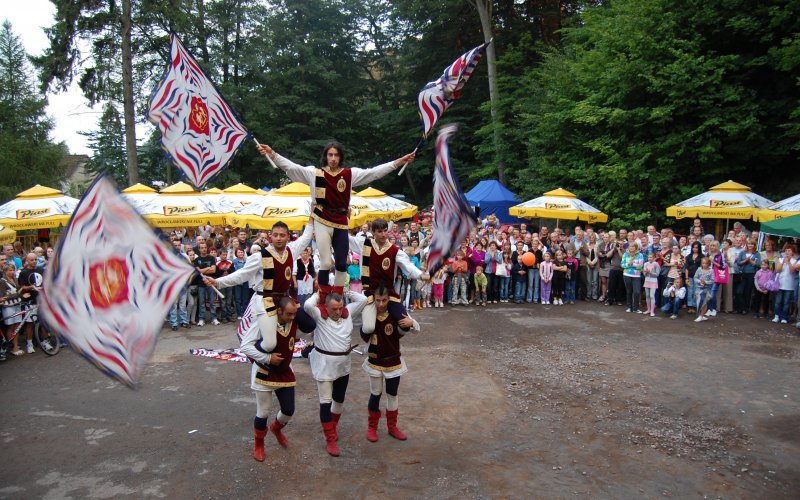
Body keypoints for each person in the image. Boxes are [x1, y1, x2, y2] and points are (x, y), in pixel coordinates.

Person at [257, 142, 416, 305]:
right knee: (326, 262)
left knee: (341, 264)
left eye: (336, 155)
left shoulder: (349, 174)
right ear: (325, 156)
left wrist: (399, 162)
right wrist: (273, 154)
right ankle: (324, 298)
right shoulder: (315, 173)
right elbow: (292, 168)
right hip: (322, 220)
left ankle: (338, 298)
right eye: (330, 155)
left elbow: (374, 173)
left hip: (341, 222)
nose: (333, 159)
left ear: (340, 157)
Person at [205, 221, 314, 346]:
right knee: (269, 344)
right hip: (265, 300)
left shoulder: (291, 250)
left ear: (288, 237)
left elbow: (306, 238)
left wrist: (312, 218)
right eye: (275, 235)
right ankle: (261, 359)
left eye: (282, 235)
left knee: (309, 325)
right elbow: (242, 275)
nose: (278, 238)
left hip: (284, 300)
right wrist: (218, 282)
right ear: (270, 237)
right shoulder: (259, 256)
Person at [240, 296, 316, 462]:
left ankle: (276, 428)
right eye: (288, 314)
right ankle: (259, 443)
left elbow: (310, 325)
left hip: (284, 371)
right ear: (279, 311)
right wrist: (267, 358)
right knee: (263, 412)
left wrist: (295, 304)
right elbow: (245, 346)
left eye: (294, 314)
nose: (292, 317)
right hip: (264, 371)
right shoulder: (264, 322)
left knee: (288, 410)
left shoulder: (293, 320)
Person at [303, 289, 368, 457]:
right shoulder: (318, 315)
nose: (338, 312)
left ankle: (333, 427)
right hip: (324, 365)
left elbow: (362, 299)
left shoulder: (348, 313)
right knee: (325, 402)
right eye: (334, 309)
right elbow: (307, 304)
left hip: (343, 365)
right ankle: (330, 438)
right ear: (326, 307)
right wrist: (319, 293)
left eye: (340, 308)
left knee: (339, 401)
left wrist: (344, 291)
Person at [360, 285, 421, 442]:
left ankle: (392, 427)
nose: (380, 304)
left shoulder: (395, 314)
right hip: (374, 362)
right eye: (378, 300)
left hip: (393, 361)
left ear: (389, 300)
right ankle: (372, 427)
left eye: (384, 300)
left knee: (392, 394)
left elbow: (416, 330)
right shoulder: (369, 315)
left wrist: (412, 322)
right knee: (375, 393)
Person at [348, 218, 427, 336]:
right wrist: (345, 218)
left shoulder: (395, 251)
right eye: (379, 231)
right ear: (373, 232)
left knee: (405, 326)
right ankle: (369, 339)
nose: (383, 234)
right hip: (370, 293)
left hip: (389, 294)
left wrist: (421, 275)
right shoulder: (364, 244)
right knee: (368, 329)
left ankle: (390, 339)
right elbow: (344, 238)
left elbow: (408, 267)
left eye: (385, 231)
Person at [0, 263, 29, 357]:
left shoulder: (15, 279)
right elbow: (3, 296)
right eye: (10, 270)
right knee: (11, 327)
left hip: (17, 304)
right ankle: (13, 347)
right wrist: (19, 293)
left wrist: (20, 294)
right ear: (5, 271)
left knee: (17, 326)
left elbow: (17, 291)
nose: (12, 272)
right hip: (8, 307)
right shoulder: (2, 281)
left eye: (13, 270)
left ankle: (15, 345)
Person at [16, 253, 43, 353]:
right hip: (30, 301)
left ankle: (44, 341)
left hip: (40, 300)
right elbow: (21, 287)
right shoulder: (23, 272)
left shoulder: (41, 270)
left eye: (36, 259)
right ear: (27, 261)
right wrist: (31, 287)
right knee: (30, 324)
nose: (34, 261)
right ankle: (29, 343)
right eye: (32, 260)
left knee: (43, 322)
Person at [194, 242, 219, 327]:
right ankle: (201, 319)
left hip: (211, 283)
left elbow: (214, 270)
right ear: (199, 249)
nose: (204, 249)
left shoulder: (211, 258)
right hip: (201, 284)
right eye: (202, 248)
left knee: (212, 302)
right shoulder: (197, 260)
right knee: (201, 302)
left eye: (205, 247)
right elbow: (198, 272)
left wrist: (203, 270)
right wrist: (208, 268)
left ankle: (214, 318)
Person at [168, 239, 191, 330]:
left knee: (182, 304)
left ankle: (184, 321)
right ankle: (174, 323)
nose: (177, 247)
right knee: (173, 305)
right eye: (175, 245)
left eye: (178, 245)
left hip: (183, 284)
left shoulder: (185, 256)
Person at [773, 244, 799, 324]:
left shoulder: (795, 261)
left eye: (789, 250)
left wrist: (789, 262)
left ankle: (784, 317)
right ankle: (777, 316)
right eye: (786, 250)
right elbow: (777, 270)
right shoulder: (781, 259)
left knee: (786, 302)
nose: (787, 252)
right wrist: (783, 262)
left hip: (790, 285)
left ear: (793, 252)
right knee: (778, 301)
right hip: (780, 284)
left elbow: (792, 271)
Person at [736, 241, 760, 315]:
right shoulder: (742, 252)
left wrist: (749, 260)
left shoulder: (756, 254)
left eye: (752, 244)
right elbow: (738, 263)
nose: (750, 245)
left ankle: (745, 309)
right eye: (749, 244)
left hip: (751, 274)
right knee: (739, 291)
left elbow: (758, 264)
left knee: (747, 292)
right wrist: (746, 260)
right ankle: (740, 307)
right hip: (742, 274)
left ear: (754, 245)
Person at [621, 242, 644, 314]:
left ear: (636, 247)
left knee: (637, 292)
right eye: (630, 246)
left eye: (633, 246)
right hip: (627, 275)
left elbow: (640, 266)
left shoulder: (640, 255)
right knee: (629, 291)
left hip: (636, 275)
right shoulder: (625, 254)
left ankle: (636, 308)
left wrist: (632, 264)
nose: (631, 248)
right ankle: (629, 307)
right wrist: (628, 264)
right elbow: (622, 264)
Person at [694, 257, 714, 322]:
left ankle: (701, 315)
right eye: (703, 263)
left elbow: (712, 280)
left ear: (709, 264)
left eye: (706, 263)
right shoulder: (699, 269)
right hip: (699, 288)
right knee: (699, 301)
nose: (704, 265)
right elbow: (695, 277)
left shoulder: (711, 271)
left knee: (704, 302)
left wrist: (706, 282)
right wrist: (699, 281)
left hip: (707, 288)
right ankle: (701, 314)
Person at [643, 252, 660, 317]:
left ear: (654, 258)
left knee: (651, 296)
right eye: (648, 257)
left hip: (653, 281)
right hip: (647, 281)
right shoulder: (645, 264)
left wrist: (650, 272)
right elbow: (644, 274)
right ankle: (648, 309)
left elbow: (657, 274)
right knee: (647, 295)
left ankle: (652, 311)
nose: (649, 259)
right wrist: (646, 272)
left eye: (651, 257)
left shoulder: (656, 264)